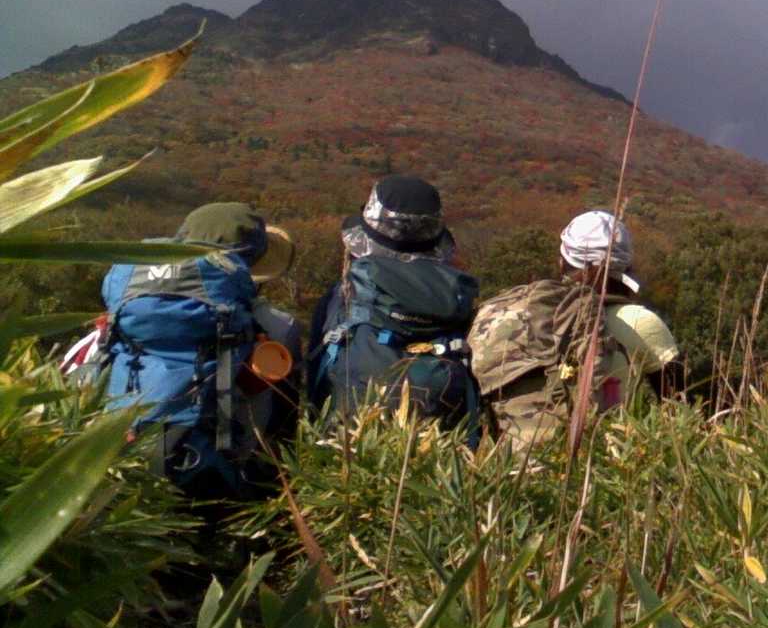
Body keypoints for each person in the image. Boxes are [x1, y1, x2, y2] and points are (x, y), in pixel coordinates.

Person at [88, 202, 301, 499]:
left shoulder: (121, 318)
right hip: (215, 477)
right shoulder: (279, 328)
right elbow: (284, 422)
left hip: (114, 461)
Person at [468, 209, 680, 447]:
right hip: (608, 458)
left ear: (562, 263)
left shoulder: (530, 316)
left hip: (518, 457)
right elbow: (681, 408)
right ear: (627, 266)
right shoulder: (641, 322)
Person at [307, 175, 481, 430]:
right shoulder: (460, 294)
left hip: (350, 437)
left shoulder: (342, 294)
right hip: (443, 439)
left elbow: (314, 376)